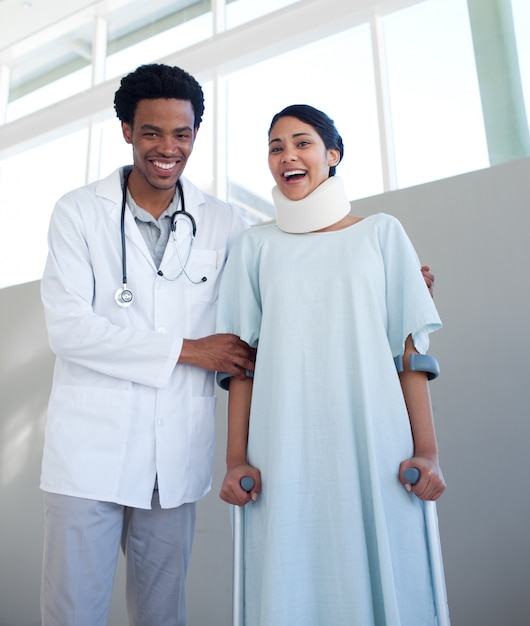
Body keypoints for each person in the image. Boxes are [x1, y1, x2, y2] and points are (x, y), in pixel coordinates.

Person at [39, 63, 255, 626]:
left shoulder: (224, 222)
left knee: (163, 616)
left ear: (195, 136)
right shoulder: (78, 212)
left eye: (181, 134)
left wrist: (383, 278)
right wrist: (190, 349)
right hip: (90, 451)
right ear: (127, 131)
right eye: (152, 132)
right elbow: (68, 329)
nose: (167, 148)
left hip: (174, 455)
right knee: (72, 614)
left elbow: (285, 277)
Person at [217, 104, 446, 625]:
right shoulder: (254, 247)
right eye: (276, 147)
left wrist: (428, 452)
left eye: (302, 143)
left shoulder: (382, 234)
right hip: (282, 449)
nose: (287, 156)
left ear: (332, 155)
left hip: (376, 441)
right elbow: (239, 365)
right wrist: (235, 461)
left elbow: (408, 353)